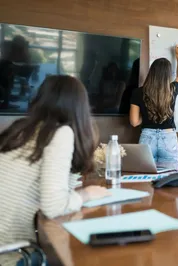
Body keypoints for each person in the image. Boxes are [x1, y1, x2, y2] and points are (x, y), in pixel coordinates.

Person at [0, 75, 110, 266]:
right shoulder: (60, 133)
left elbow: (62, 190)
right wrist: (87, 194)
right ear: (81, 108)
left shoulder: (22, 129)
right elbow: (54, 207)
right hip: (12, 254)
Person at [130, 45, 178, 170]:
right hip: (168, 138)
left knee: (145, 177)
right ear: (168, 75)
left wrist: (147, 114)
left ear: (151, 72)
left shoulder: (138, 92)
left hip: (147, 137)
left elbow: (134, 122)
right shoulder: (172, 89)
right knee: (169, 176)